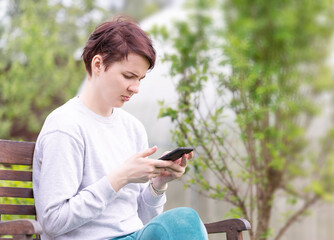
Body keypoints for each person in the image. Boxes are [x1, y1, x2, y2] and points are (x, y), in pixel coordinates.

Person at [32, 16, 208, 240]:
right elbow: (52, 222)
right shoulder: (65, 126)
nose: (135, 88)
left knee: (186, 221)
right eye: (128, 76)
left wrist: (158, 183)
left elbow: (143, 220)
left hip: (132, 235)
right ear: (98, 65)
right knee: (184, 221)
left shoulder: (132, 128)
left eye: (140, 79)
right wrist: (120, 177)